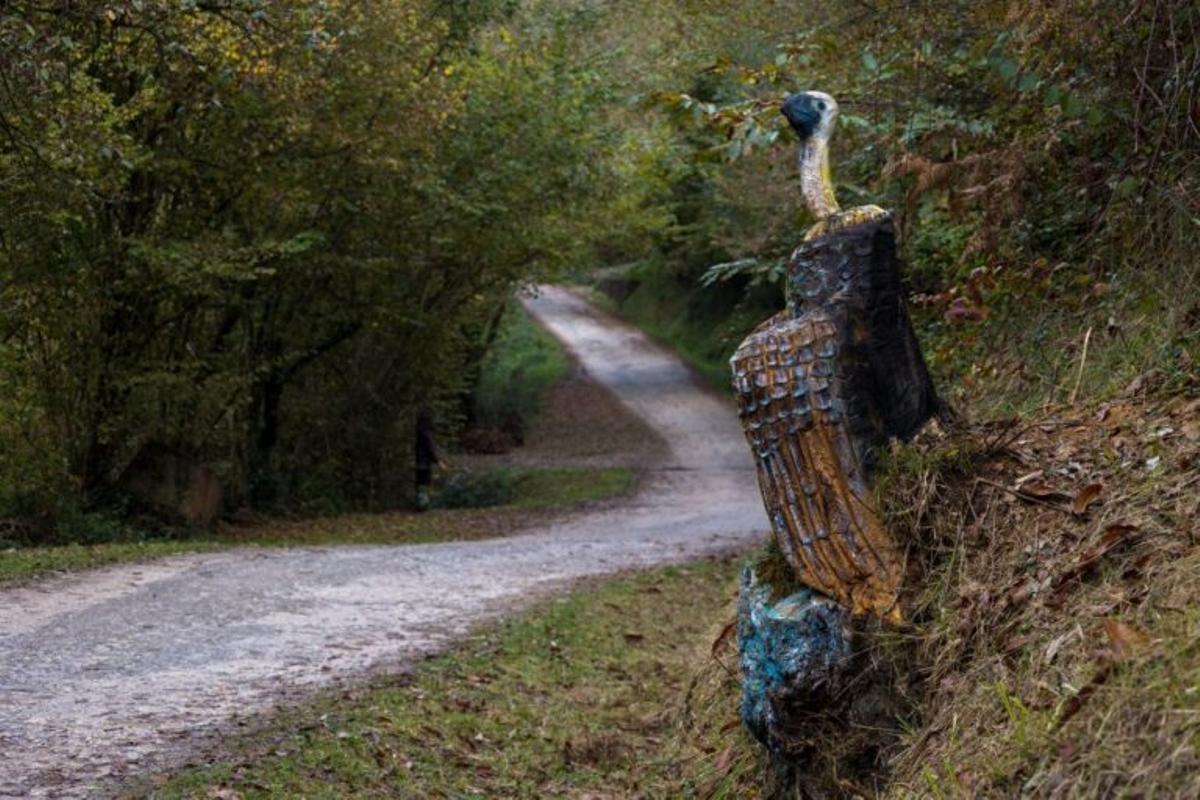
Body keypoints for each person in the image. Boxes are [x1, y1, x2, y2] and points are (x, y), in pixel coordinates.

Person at [414, 405, 444, 511]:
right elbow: (430, 448)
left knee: (420, 484)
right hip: (425, 462)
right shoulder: (427, 434)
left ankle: (420, 504)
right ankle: (423, 505)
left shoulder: (418, 432)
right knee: (425, 483)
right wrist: (438, 461)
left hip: (418, 460)